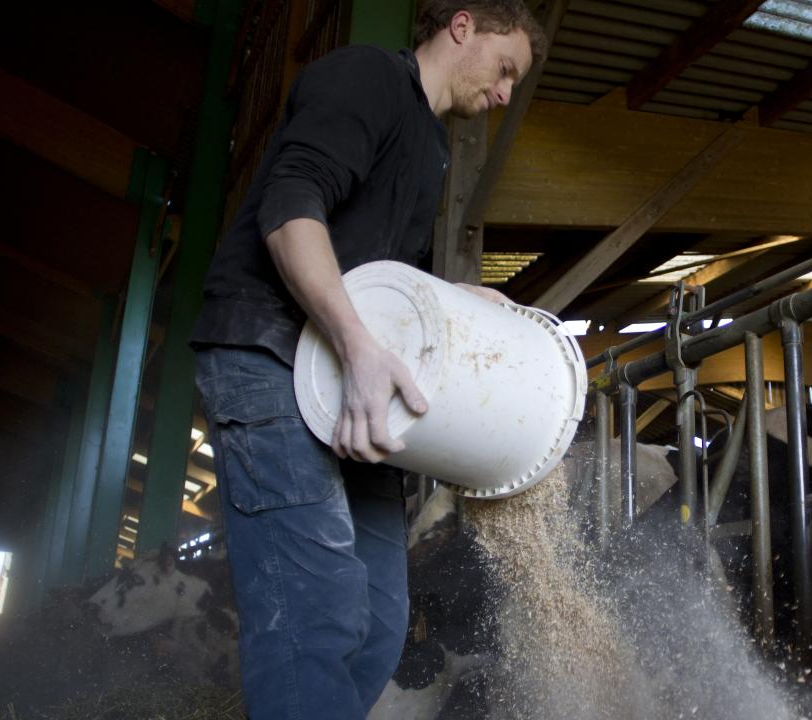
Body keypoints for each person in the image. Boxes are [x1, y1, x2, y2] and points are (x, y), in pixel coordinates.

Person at [188, 1, 546, 717]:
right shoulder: (367, 77)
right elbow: (291, 210)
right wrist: (357, 346)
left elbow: (373, 277)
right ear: (463, 24)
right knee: (317, 613)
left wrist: (452, 295)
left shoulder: (430, 146)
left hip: (341, 375)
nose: (506, 95)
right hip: (271, 351)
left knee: (381, 624)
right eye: (506, 69)